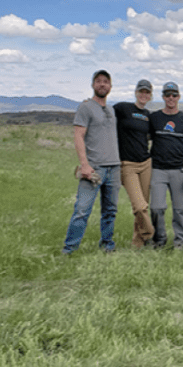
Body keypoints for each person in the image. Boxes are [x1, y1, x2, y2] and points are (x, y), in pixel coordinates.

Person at [62, 70, 121, 255]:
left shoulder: (111, 109)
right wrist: (84, 165)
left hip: (114, 167)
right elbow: (79, 136)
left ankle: (107, 245)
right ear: (93, 85)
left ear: (110, 86)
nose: (102, 84)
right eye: (98, 81)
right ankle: (69, 249)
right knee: (82, 210)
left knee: (110, 211)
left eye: (106, 81)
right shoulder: (85, 107)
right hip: (94, 168)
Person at [149, 82, 183, 249]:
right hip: (158, 169)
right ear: (162, 97)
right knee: (156, 208)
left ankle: (179, 243)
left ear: (179, 97)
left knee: (179, 210)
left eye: (174, 95)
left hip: (179, 169)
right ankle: (159, 239)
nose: (171, 98)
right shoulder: (154, 118)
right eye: (167, 95)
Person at [114, 79, 154, 249]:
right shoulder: (123, 108)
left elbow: (152, 136)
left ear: (150, 96)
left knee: (144, 205)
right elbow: (104, 113)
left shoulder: (148, 116)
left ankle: (137, 244)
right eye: (141, 91)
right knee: (139, 206)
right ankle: (151, 235)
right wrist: (90, 104)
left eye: (147, 92)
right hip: (127, 165)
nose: (144, 95)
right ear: (136, 93)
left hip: (145, 163)